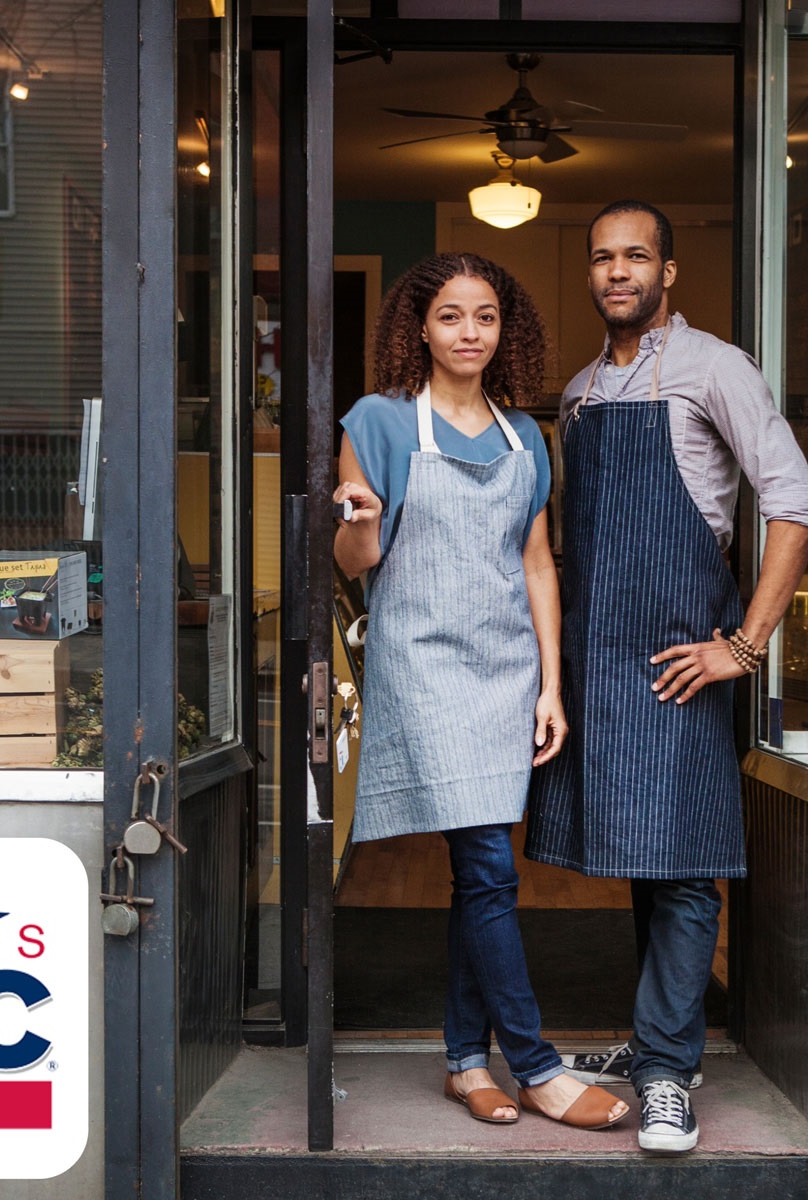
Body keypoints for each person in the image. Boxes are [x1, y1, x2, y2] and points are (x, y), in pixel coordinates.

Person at [526, 200, 808, 1154]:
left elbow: (793, 501)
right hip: (599, 663)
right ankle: (663, 1052)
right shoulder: (578, 394)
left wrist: (744, 644)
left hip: (684, 662)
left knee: (685, 869)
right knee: (645, 866)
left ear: (667, 273)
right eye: (603, 258)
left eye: (636, 257)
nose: (616, 272)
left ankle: (665, 1076)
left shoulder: (713, 367)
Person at [334, 253, 628, 1132]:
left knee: (478, 874)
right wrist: (365, 523)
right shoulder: (379, 422)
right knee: (490, 866)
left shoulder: (523, 437)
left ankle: (467, 1063)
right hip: (421, 660)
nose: (470, 332)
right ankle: (536, 1064)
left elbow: (537, 562)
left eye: (486, 316)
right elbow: (353, 562)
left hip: (505, 668)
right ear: (419, 328)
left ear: (506, 331)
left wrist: (550, 682)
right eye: (452, 316)